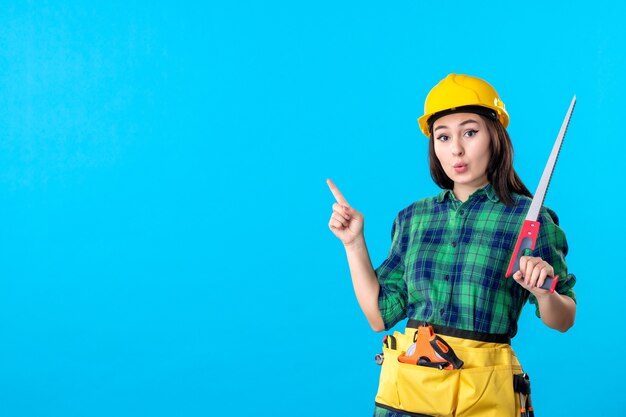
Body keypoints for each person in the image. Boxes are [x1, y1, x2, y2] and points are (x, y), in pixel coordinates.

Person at [327, 73, 576, 417]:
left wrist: (545, 292)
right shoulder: (413, 218)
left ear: (495, 136)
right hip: (406, 398)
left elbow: (563, 319)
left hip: (483, 400)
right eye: (443, 137)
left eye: (470, 132)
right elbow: (379, 316)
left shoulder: (530, 220)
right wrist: (353, 243)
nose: (456, 149)